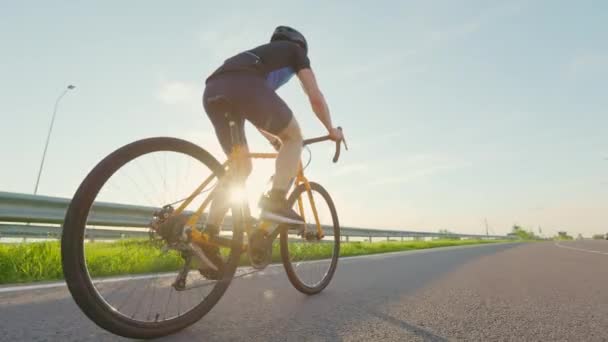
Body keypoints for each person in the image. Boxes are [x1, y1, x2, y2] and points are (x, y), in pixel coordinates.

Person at [200, 25, 342, 251]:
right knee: (294, 137)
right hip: (245, 86)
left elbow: (256, 112)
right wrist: (331, 129)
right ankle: (276, 201)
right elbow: (315, 96)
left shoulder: (257, 58)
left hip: (213, 90)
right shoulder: (295, 52)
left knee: (241, 168)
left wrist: (275, 140)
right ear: (300, 45)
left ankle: (207, 237)